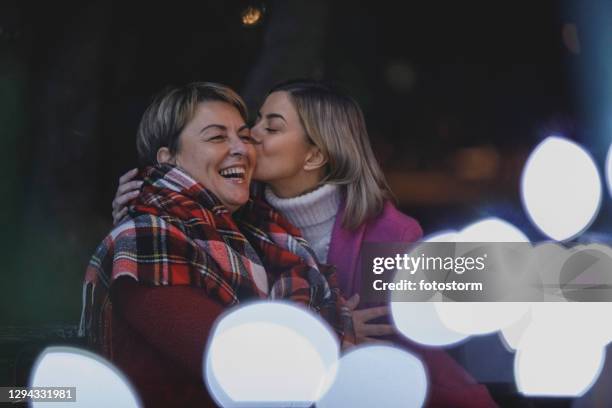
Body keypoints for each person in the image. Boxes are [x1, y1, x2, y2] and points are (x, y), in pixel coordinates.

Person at [113, 79, 497, 407]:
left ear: (314, 154)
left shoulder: (391, 237)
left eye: (271, 127)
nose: (251, 137)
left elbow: (428, 355)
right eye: (255, 123)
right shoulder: (233, 218)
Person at [81, 82, 347, 408]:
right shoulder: (144, 238)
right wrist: (329, 342)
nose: (243, 148)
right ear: (168, 158)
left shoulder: (261, 234)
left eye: (243, 136)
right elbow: (239, 367)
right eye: (217, 137)